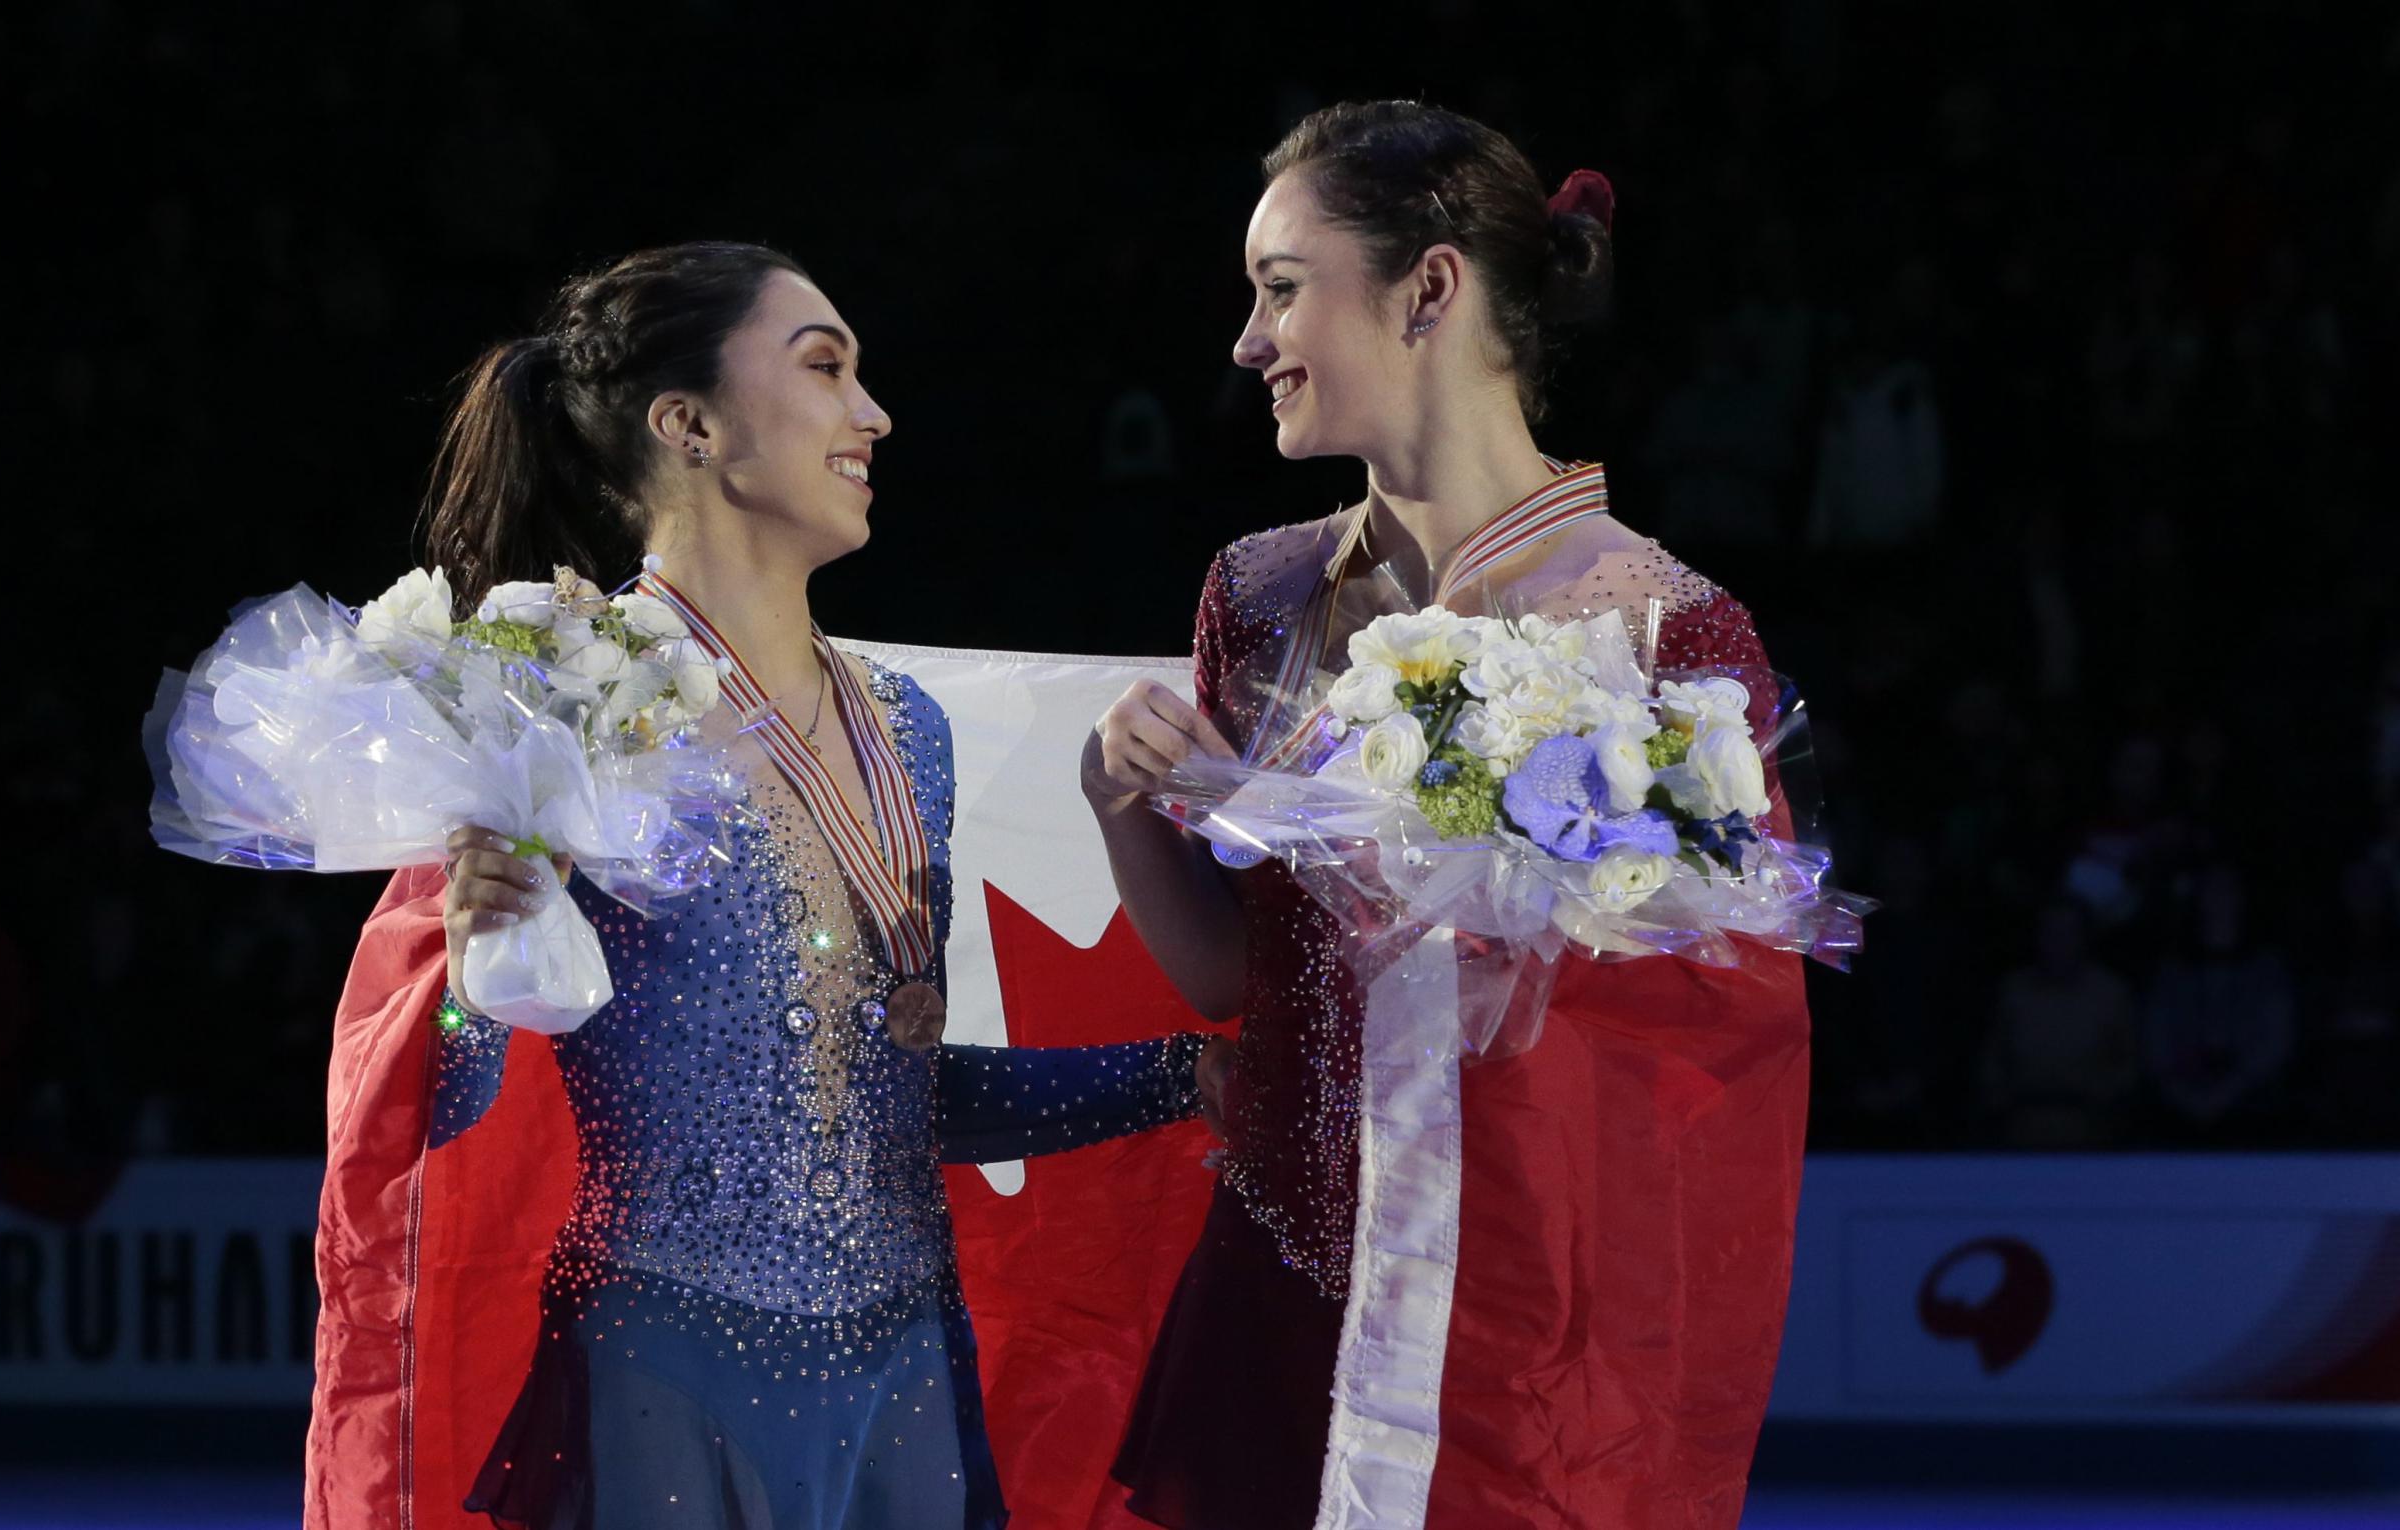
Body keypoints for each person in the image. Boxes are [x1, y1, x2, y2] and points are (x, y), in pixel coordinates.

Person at [309, 242, 1211, 1530]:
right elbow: (442, 1107)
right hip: (666, 1386)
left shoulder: (907, 730)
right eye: (826, 367)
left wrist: (1184, 1074)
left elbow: (898, 1101)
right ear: (688, 424)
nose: (874, 413)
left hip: (907, 1386)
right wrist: (466, 973)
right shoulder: (568, 703)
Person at [1087, 103, 1813, 1529]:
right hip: (1283, 1295)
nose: (1248, 340)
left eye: (1282, 288)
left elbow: (1707, 1060)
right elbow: (1241, 976)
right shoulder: (1262, 592)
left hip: (1521, 1340)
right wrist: (1122, 806)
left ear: (1431, 288)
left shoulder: (1667, 634)